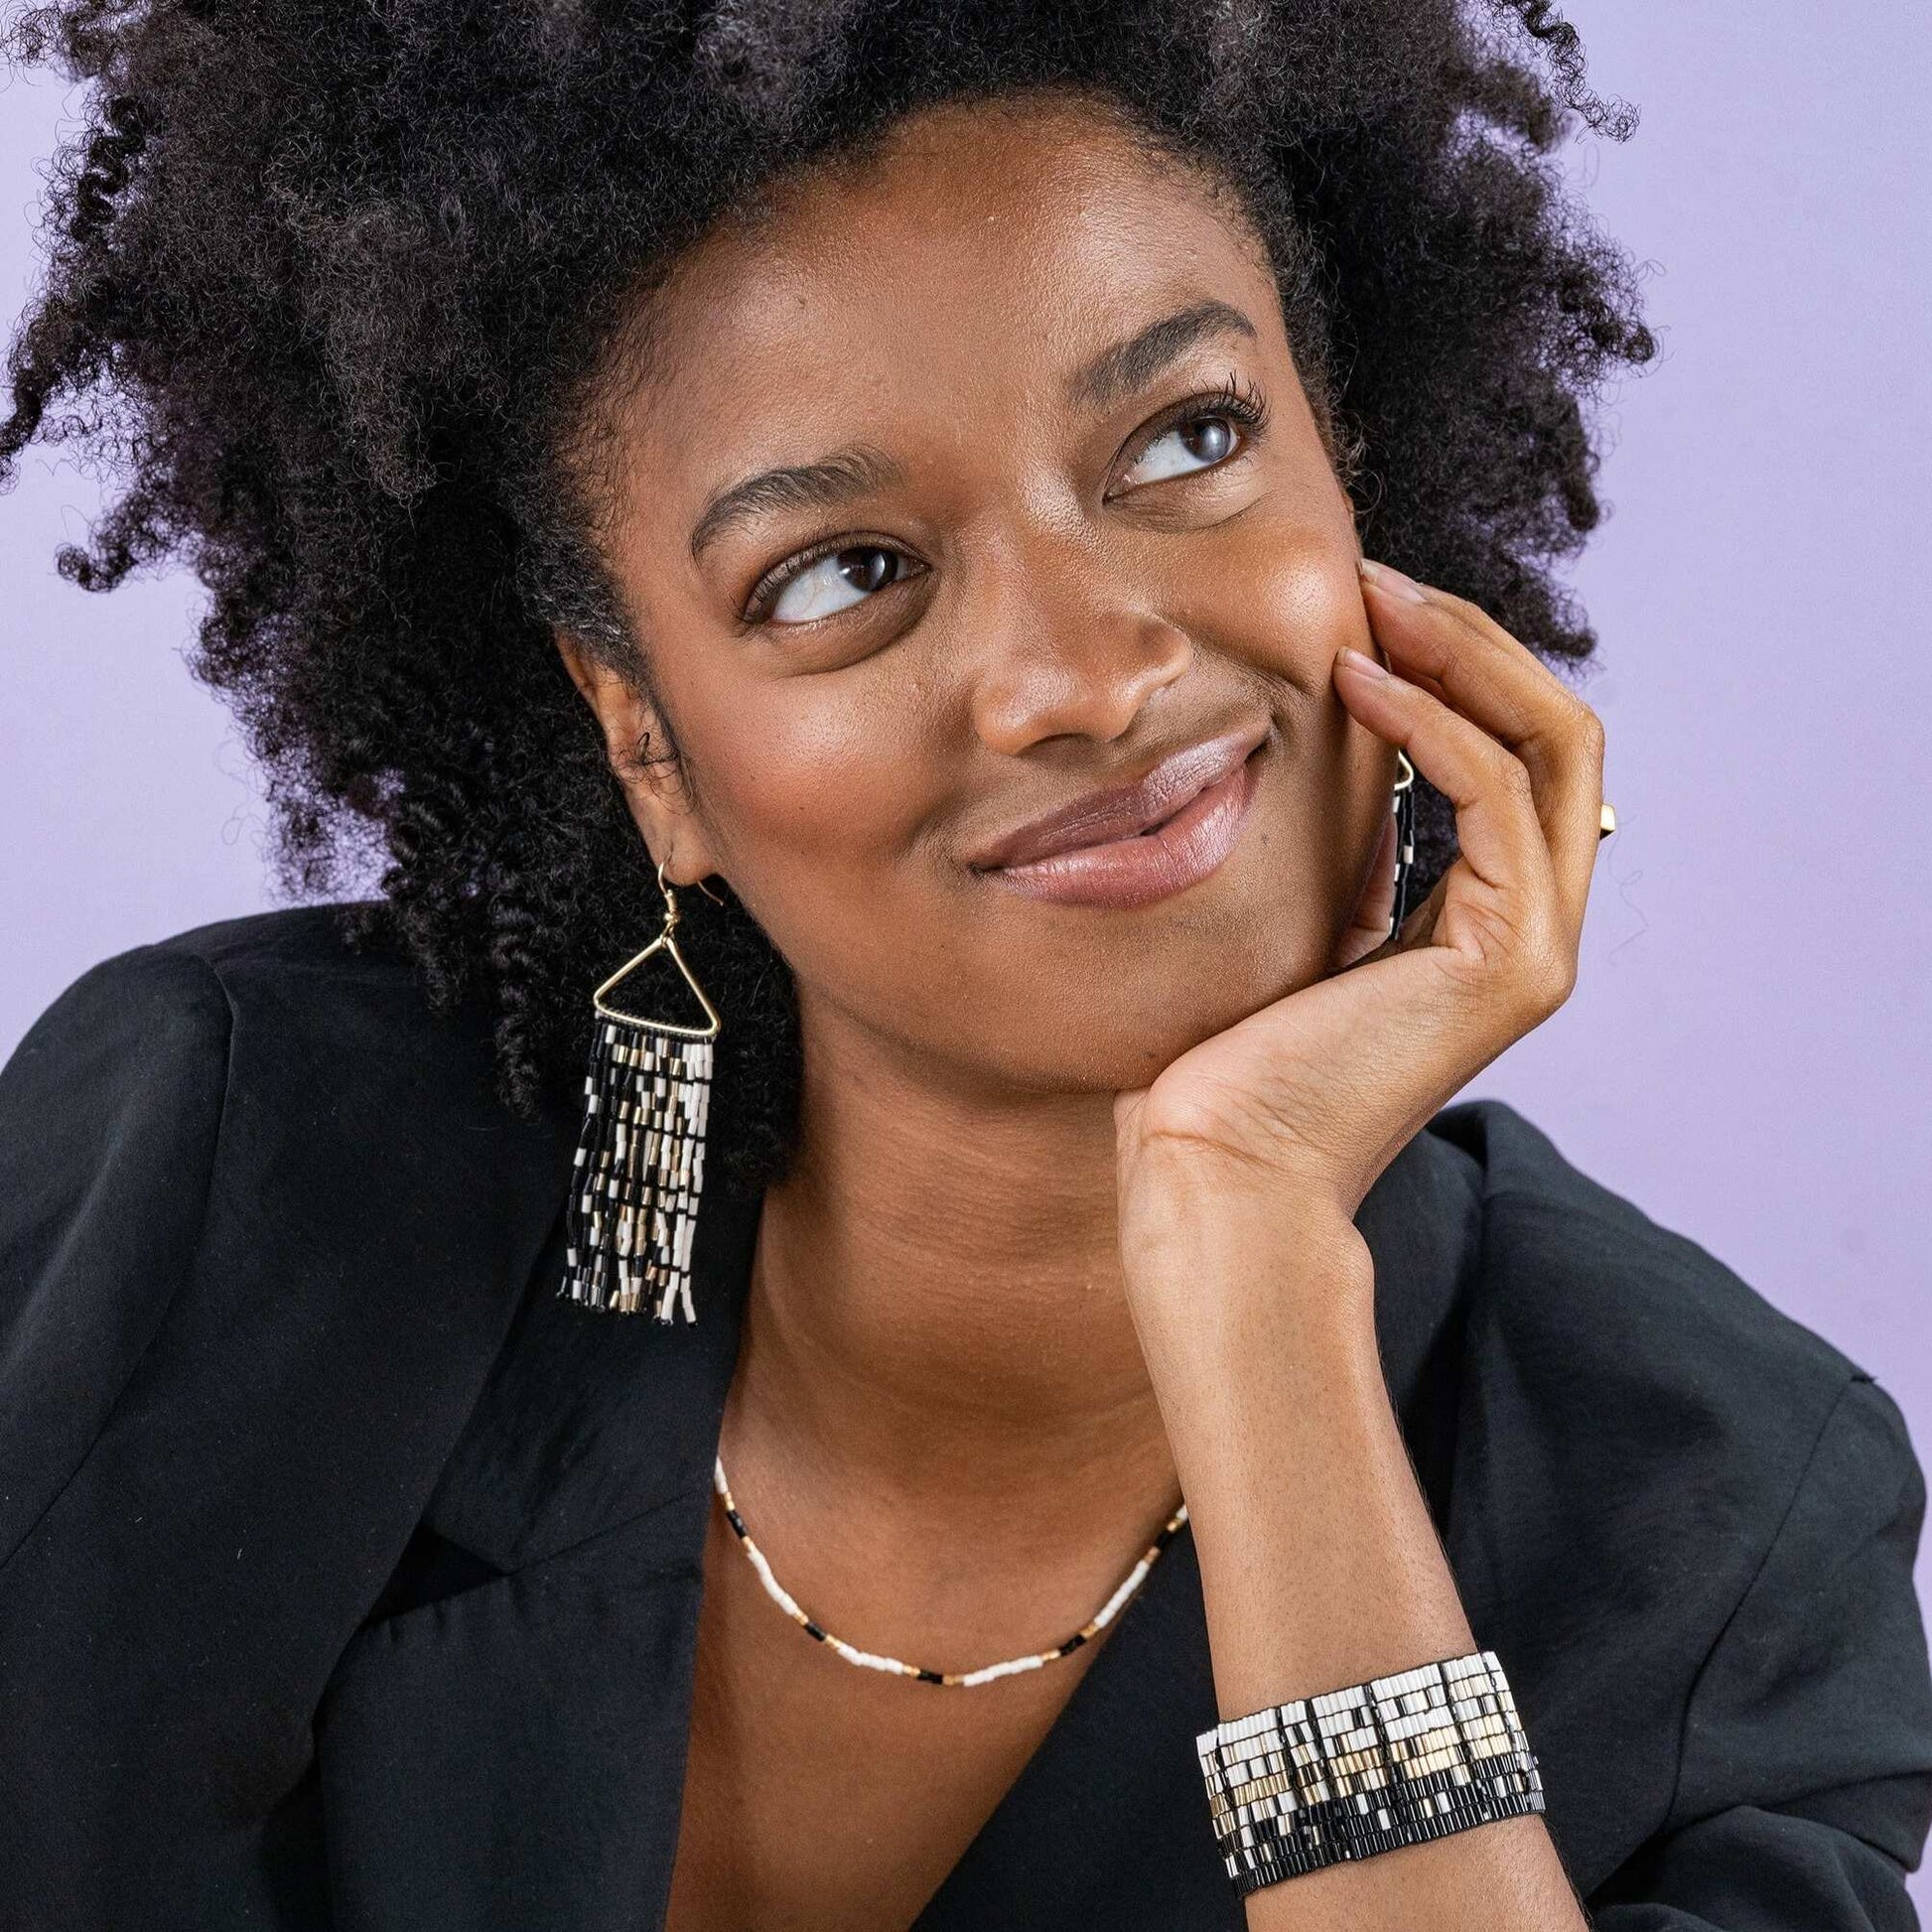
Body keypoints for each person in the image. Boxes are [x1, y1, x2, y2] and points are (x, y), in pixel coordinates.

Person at [2, 3, 1928, 1927]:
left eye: (1187, 439)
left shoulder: (1712, 1521)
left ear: (1353, 483)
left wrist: (1255, 1266)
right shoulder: (232, 1186)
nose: (1084, 675)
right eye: (842, 571)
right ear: (648, 743)